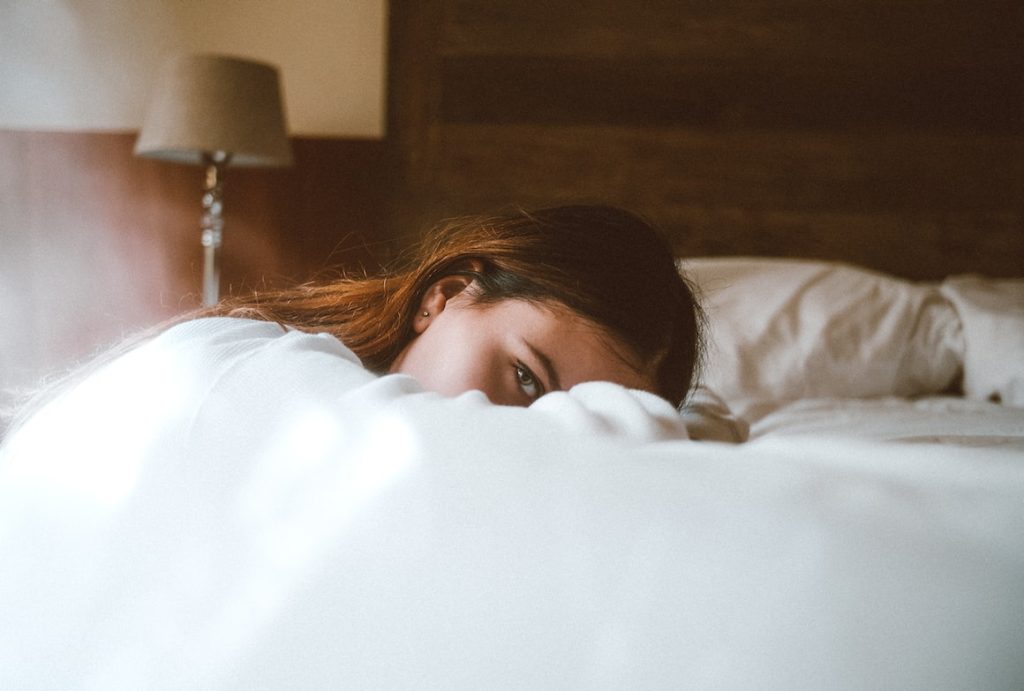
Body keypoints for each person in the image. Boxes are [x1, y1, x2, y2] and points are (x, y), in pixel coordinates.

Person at [203, 204, 703, 408]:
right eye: (526, 377)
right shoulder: (245, 376)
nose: (530, 435)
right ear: (442, 297)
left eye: (589, 424)